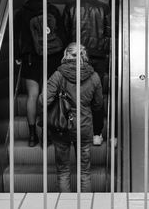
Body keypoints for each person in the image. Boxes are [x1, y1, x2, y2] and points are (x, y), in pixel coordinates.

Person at [38, 43, 104, 192]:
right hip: (84, 127)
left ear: (67, 55)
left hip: (61, 127)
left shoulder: (58, 75)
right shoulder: (94, 76)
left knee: (63, 171)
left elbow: (43, 100)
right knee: (85, 172)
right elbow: (98, 104)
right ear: (84, 55)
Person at [15, 0, 66, 147]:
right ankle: (47, 135)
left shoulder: (22, 12)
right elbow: (62, 34)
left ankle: (32, 137)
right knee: (48, 96)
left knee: (32, 96)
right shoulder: (53, 10)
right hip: (52, 59)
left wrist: (18, 56)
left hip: (31, 59)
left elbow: (18, 37)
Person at [63, 0, 110, 145]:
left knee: (74, 94)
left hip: (76, 55)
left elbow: (65, 30)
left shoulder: (70, 4)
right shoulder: (104, 6)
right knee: (96, 95)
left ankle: (75, 132)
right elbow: (109, 32)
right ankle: (97, 134)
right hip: (98, 57)